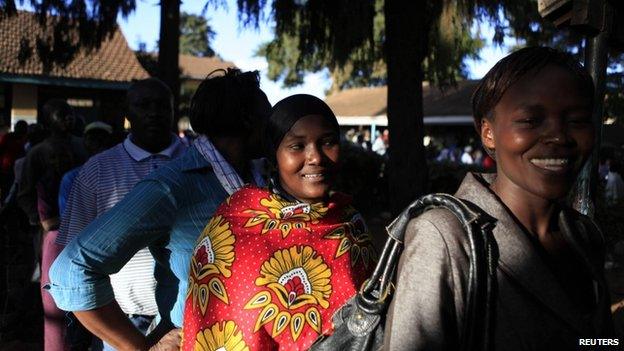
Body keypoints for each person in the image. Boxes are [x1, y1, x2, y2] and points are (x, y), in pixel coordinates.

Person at [384, 47, 613, 350]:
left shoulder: (584, 235)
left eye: (578, 120)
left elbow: (595, 340)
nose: (559, 136)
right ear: (488, 133)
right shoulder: (445, 237)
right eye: (531, 120)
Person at [47, 69, 271, 350]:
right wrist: (139, 347)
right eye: (268, 115)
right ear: (248, 119)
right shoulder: (173, 185)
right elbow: (72, 269)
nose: (274, 127)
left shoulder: (260, 179)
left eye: (162, 106)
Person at [181, 94, 375, 350]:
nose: (315, 157)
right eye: (297, 146)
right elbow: (221, 324)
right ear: (273, 155)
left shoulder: (350, 222)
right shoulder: (234, 226)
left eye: (327, 142)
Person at [17, 99, 87, 351]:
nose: (68, 119)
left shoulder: (83, 147)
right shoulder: (37, 152)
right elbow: (24, 193)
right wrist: (41, 222)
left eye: (70, 114)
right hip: (52, 232)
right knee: (53, 295)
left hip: (85, 230)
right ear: (49, 120)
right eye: (61, 115)